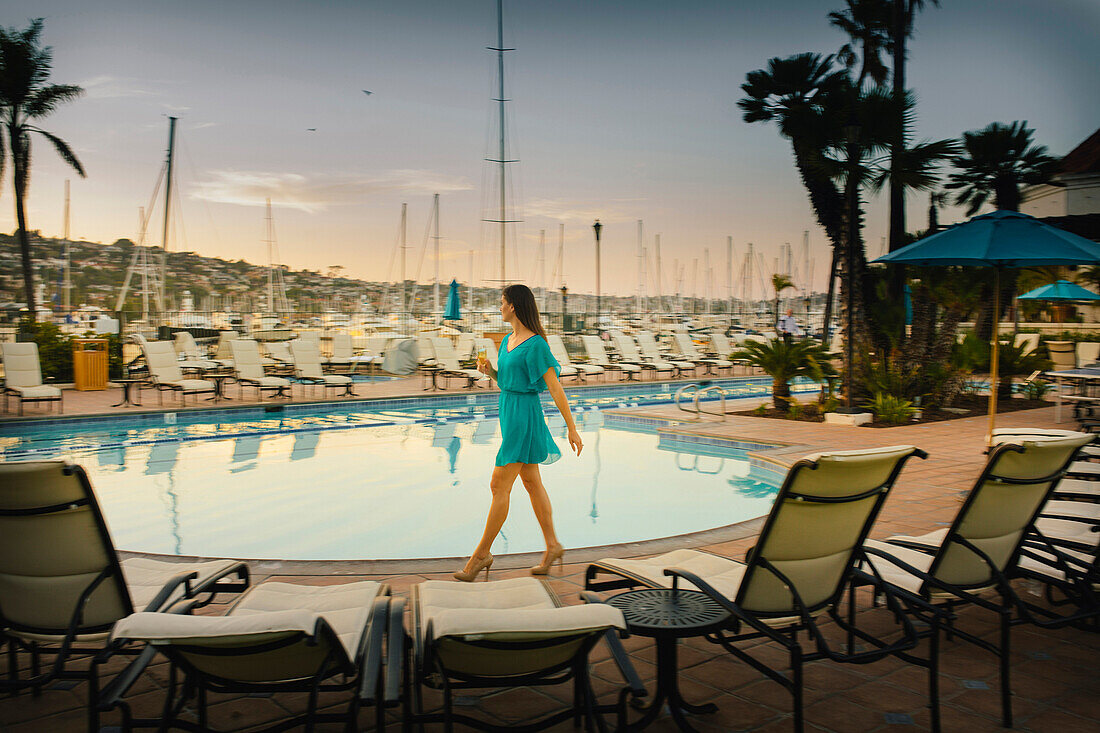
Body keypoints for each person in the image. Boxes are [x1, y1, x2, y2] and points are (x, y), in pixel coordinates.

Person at [454, 284, 583, 582]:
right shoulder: (509, 340)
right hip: (510, 411)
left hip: (524, 416)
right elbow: (509, 383)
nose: (499, 307)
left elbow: (554, 387)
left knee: (499, 485)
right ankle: (552, 546)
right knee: (531, 481)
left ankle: (481, 555)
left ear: (513, 306)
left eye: (501, 302)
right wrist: (491, 373)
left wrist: (572, 428)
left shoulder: (536, 344)